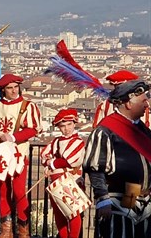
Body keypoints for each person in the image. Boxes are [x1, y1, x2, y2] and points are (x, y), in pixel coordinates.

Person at [84, 80, 151, 238]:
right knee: (122, 231)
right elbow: (96, 168)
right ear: (128, 104)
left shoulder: (143, 131)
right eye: (144, 100)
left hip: (140, 197)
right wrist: (102, 199)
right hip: (118, 199)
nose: (147, 105)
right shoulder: (106, 131)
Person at [0, 73, 41, 238]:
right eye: (9, 88)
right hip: (0, 156)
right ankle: (6, 230)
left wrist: (13, 137)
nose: (14, 91)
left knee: (19, 190)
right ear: (3, 90)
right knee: (3, 190)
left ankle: (23, 230)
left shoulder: (27, 106)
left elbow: (33, 128)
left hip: (19, 155)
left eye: (16, 87)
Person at [40, 109, 85, 238]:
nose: (66, 129)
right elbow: (44, 155)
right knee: (59, 213)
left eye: (69, 124)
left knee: (73, 212)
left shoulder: (78, 142)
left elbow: (68, 160)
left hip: (72, 180)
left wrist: (51, 163)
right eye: (63, 126)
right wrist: (50, 162)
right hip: (55, 181)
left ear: (74, 123)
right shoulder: (55, 141)